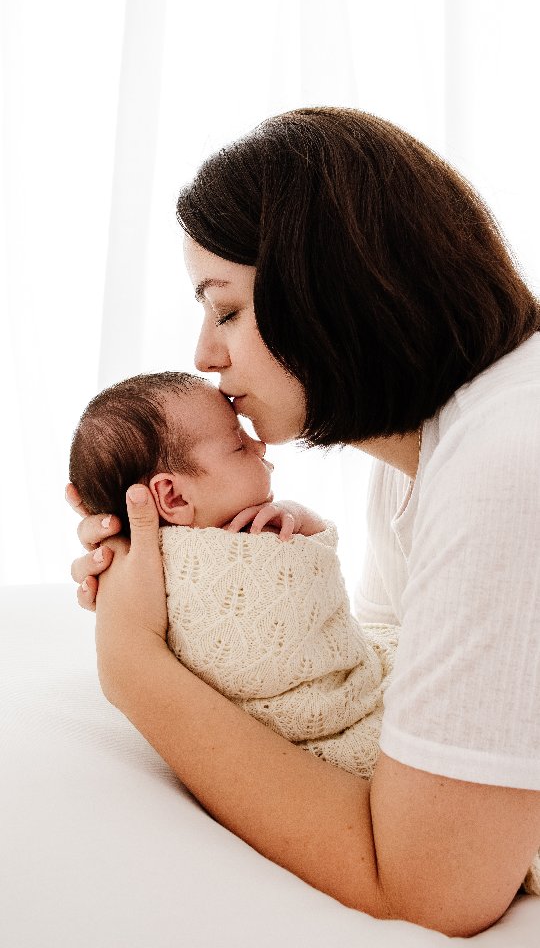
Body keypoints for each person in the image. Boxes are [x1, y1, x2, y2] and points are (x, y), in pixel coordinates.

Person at [66, 107, 540, 937]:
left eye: (227, 310)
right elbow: (391, 703)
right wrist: (190, 579)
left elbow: (430, 885)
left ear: (332, 287)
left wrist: (136, 666)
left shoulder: (505, 465)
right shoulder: (419, 471)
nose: (205, 357)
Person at [68, 370, 396, 776]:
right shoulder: (172, 572)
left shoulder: (142, 572)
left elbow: (323, 592)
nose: (259, 444)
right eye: (239, 445)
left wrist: (295, 517)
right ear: (172, 496)